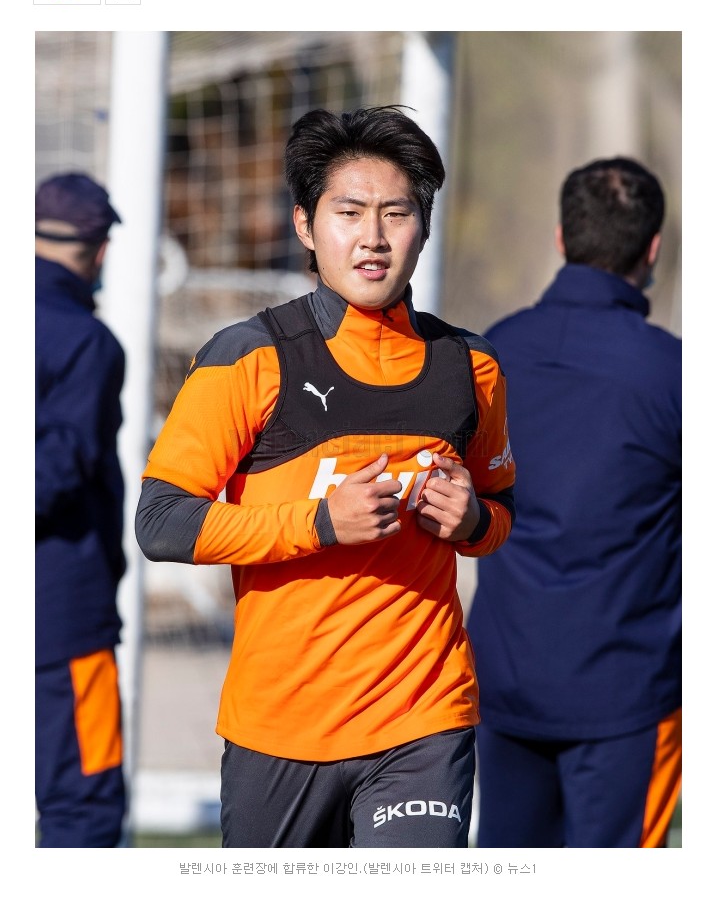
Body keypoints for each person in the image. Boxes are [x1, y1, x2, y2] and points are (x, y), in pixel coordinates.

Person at [136, 105, 516, 848]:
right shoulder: (249, 357)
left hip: (424, 717)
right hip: (278, 728)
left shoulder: (473, 365)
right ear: (306, 226)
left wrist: (472, 520)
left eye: (396, 214)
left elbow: (501, 513)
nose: (373, 237)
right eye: (349, 213)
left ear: (423, 227)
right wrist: (318, 523)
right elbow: (161, 522)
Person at [467, 157, 681, 848]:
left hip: (503, 680)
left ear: (561, 237)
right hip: (626, 695)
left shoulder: (492, 353)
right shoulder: (675, 374)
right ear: (652, 248)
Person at [35, 173, 127, 847]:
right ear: (99, 251)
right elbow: (56, 470)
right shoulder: (86, 342)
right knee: (83, 805)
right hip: (59, 616)